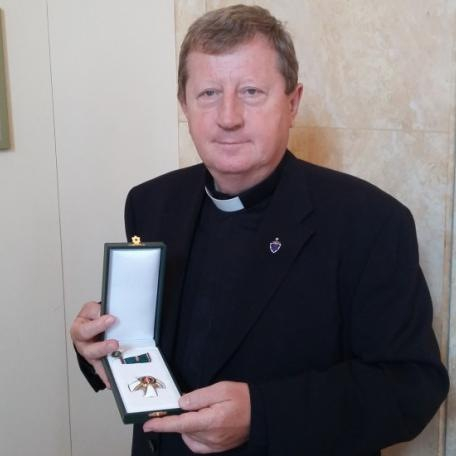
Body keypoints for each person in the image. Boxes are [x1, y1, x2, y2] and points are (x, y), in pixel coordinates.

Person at [70, 5, 449, 456]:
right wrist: (100, 347)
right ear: (184, 105)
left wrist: (262, 414)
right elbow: (145, 344)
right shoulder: (150, 202)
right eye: (208, 93)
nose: (228, 116)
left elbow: (411, 386)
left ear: (292, 103)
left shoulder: (369, 222)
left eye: (251, 92)